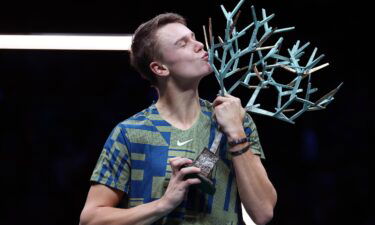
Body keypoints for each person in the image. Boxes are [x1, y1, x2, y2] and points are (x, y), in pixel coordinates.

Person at [79, 13, 277, 225]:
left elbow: (263, 212)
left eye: (193, 37)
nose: (200, 44)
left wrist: (236, 133)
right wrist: (163, 204)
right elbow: (91, 219)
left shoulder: (235, 120)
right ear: (160, 68)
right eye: (183, 44)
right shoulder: (130, 133)